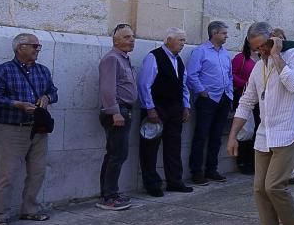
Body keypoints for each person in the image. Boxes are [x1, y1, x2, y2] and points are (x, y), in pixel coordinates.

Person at [227, 22, 294, 225]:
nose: (261, 52)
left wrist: (276, 55)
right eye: (256, 49)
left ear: (273, 38)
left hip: (289, 129)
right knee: (259, 189)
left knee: (274, 185)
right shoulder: (257, 68)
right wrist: (233, 135)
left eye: (263, 46)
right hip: (265, 133)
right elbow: (246, 102)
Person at [0, 33, 58, 225]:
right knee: (6, 174)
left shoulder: (43, 71)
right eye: (34, 46)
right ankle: (0, 215)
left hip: (38, 129)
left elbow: (54, 91)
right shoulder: (3, 71)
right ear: (20, 48)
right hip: (12, 128)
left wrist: (46, 98)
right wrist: (17, 104)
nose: (37, 50)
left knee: (38, 171)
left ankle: (30, 209)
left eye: (38, 46)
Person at [137, 28, 193, 196]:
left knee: (173, 147)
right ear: (169, 40)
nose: (183, 44)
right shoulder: (154, 57)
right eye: (181, 40)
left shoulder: (179, 61)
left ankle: (175, 181)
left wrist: (186, 105)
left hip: (175, 109)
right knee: (150, 149)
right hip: (157, 109)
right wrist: (150, 108)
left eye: (184, 40)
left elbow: (183, 85)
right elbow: (144, 84)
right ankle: (152, 184)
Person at [186, 20, 234, 185]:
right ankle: (196, 171)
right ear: (214, 33)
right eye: (224, 33)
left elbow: (229, 75)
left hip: (223, 97)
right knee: (201, 135)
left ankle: (212, 169)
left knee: (216, 136)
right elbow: (191, 74)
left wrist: (230, 93)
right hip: (208, 99)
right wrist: (202, 91)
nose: (226, 36)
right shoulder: (200, 51)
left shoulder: (225, 53)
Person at [97, 24, 138, 211]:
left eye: (132, 36)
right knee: (117, 154)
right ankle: (109, 196)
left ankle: (109, 192)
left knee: (116, 154)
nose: (132, 40)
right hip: (118, 112)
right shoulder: (112, 58)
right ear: (116, 40)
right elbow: (107, 88)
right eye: (127, 37)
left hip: (124, 110)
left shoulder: (124, 58)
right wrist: (115, 112)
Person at [231, 36, 260, 174]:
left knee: (256, 130)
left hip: (260, 100)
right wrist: (247, 85)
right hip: (244, 97)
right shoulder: (240, 58)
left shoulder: (261, 58)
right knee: (246, 130)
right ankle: (243, 161)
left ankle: (255, 161)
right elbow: (232, 75)